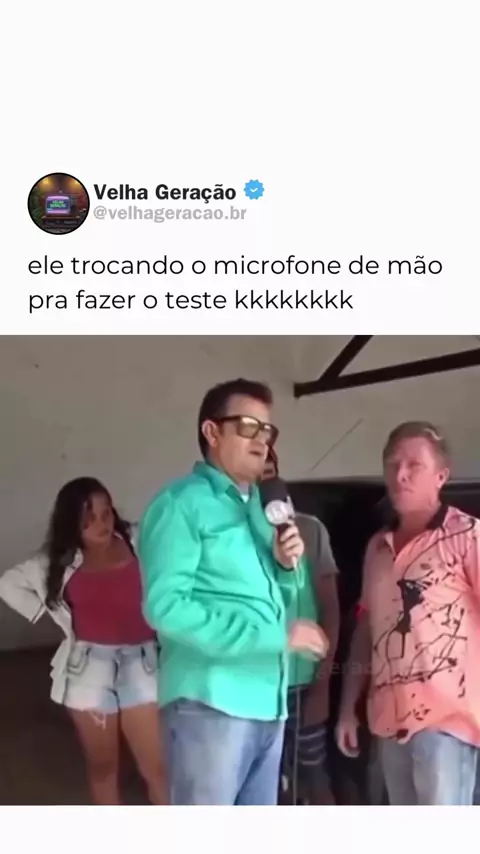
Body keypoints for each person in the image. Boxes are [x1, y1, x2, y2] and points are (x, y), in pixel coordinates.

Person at [138, 378, 329, 805]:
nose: (262, 440)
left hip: (269, 703)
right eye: (248, 427)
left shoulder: (260, 510)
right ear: (211, 431)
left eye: (267, 430)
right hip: (212, 703)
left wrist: (285, 567)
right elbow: (166, 607)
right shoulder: (181, 504)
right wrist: (277, 636)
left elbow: (274, 601)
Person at [335, 422, 480, 805]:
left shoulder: (467, 536)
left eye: (414, 465)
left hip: (447, 723)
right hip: (388, 722)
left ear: (441, 476)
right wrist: (348, 709)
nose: (400, 474)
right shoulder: (376, 548)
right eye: (392, 464)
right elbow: (366, 629)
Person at [0, 477, 167, 805]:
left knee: (157, 767)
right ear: (71, 523)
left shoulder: (137, 541)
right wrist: (47, 611)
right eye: (89, 518)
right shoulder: (58, 562)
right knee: (103, 766)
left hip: (143, 663)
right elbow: (7, 584)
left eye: (106, 513)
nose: (101, 524)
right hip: (88, 668)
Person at [261, 448, 340, 805]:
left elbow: (330, 609)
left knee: (313, 773)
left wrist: (323, 684)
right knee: (265, 782)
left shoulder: (309, 529)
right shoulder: (234, 536)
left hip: (304, 683)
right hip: (255, 685)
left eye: (268, 474)